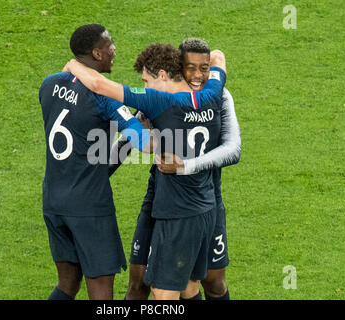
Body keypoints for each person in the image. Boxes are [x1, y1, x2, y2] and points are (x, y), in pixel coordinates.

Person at [63, 43, 226, 299]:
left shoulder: (161, 100)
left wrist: (73, 65)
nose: (145, 86)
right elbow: (217, 56)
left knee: (163, 294)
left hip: (178, 212)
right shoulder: (212, 94)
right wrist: (206, 69)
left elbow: (99, 86)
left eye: (146, 81)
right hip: (205, 208)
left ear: (162, 75)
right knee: (189, 288)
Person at [38, 24, 154, 300]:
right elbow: (145, 144)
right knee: (101, 294)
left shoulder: (48, 84)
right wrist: (145, 123)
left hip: (54, 202)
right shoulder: (106, 97)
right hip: (89, 208)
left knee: (67, 284)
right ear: (96, 53)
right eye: (109, 45)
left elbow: (95, 157)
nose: (114, 49)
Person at [125, 38, 241, 300]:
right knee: (140, 282)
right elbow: (129, 137)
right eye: (190, 68)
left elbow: (233, 149)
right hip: (161, 196)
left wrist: (186, 166)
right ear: (178, 68)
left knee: (211, 282)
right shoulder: (165, 97)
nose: (198, 75)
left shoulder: (218, 96)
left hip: (206, 198)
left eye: (204, 68)